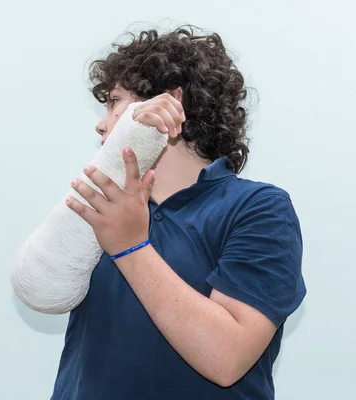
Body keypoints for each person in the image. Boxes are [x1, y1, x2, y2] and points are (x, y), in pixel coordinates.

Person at [52, 25, 306, 400]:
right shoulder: (100, 210)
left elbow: (227, 356)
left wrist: (130, 247)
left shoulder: (257, 209)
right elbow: (38, 286)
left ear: (171, 103)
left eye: (116, 101)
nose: (101, 124)